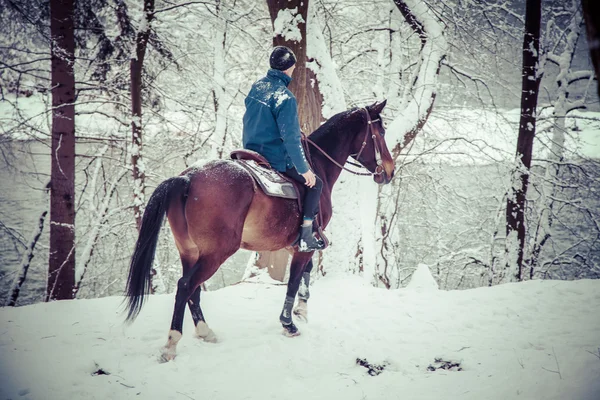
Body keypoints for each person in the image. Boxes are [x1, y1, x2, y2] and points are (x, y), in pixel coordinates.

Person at [242, 46, 326, 252]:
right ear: (289, 68)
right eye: (293, 67)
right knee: (316, 185)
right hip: (273, 157)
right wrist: (305, 171)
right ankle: (306, 235)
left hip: (249, 152)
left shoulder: (257, 87)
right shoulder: (285, 97)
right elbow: (291, 140)